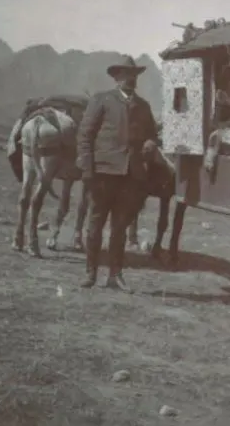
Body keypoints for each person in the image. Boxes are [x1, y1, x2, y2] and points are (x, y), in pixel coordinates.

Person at [76, 55, 158, 291]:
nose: (130, 79)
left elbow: (153, 134)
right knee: (95, 225)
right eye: (125, 75)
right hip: (103, 173)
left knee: (120, 227)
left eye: (133, 75)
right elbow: (85, 136)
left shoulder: (143, 107)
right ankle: (91, 273)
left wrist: (151, 143)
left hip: (130, 176)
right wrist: (87, 170)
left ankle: (115, 275)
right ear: (116, 77)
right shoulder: (101, 100)